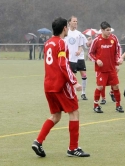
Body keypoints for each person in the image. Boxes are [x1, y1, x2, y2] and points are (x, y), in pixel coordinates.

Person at [31, 17, 90, 158]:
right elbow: (63, 65)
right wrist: (74, 81)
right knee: (74, 112)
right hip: (60, 85)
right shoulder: (62, 44)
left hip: (48, 85)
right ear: (65, 28)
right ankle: (73, 148)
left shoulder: (47, 43)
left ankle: (38, 141)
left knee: (56, 116)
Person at [89, 21, 124, 113]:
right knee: (100, 87)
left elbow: (118, 50)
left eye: (110, 30)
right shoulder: (96, 40)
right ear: (102, 30)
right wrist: (96, 60)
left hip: (112, 68)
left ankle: (118, 105)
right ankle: (96, 105)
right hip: (101, 70)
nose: (109, 32)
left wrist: (118, 61)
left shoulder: (114, 38)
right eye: (107, 30)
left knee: (116, 86)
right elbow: (90, 53)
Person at [65, 16, 92, 100]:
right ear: (69, 22)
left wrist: (90, 41)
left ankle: (83, 93)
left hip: (79, 58)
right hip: (70, 58)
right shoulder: (66, 33)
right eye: (74, 21)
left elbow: (85, 44)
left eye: (76, 21)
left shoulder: (79, 33)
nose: (75, 22)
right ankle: (74, 94)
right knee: (73, 76)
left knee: (84, 74)